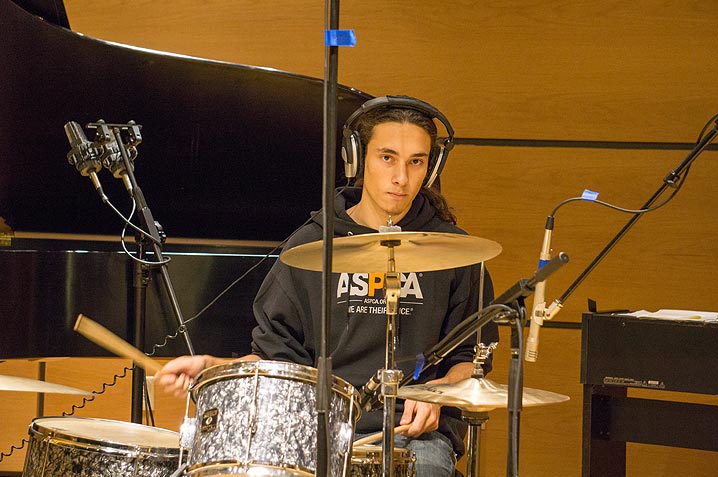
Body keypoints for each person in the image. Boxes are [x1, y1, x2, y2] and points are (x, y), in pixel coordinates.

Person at [156, 95, 499, 476]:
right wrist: (215, 369)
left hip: (416, 436)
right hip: (316, 430)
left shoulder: (456, 254)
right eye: (387, 157)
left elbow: (470, 362)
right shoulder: (311, 245)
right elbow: (276, 357)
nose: (401, 178)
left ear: (430, 168)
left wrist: (437, 394)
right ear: (357, 159)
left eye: (415, 161)